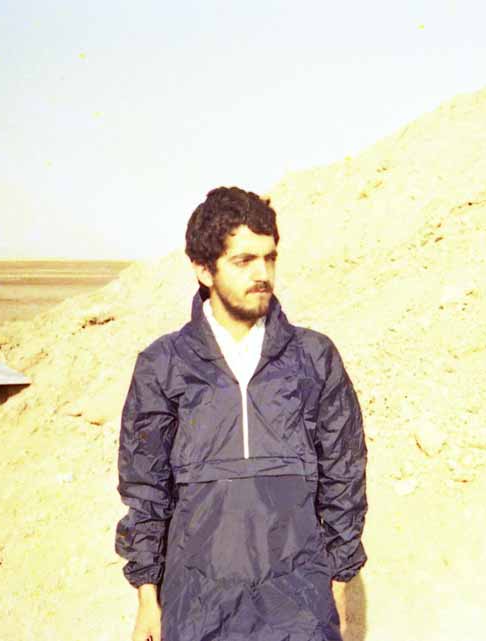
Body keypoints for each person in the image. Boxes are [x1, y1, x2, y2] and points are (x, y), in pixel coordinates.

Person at [115, 186, 368, 641]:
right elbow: (145, 488)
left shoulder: (314, 358)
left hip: (299, 605)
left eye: (269, 258)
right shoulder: (164, 364)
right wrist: (147, 599)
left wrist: (338, 583)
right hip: (197, 604)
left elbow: (344, 478)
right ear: (203, 269)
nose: (262, 274)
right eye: (244, 260)